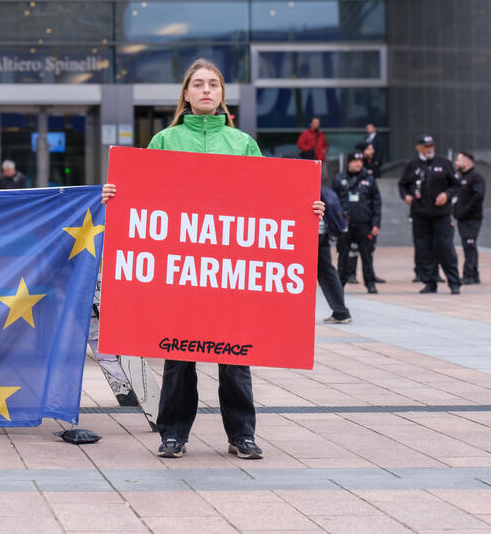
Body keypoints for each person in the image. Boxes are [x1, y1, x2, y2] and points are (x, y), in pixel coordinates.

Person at [101, 58, 325, 461]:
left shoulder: (243, 144)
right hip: (181, 271)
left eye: (213, 84)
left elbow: (270, 201)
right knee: (177, 357)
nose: (206, 90)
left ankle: (243, 435)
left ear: (222, 95)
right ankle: (172, 434)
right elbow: (143, 198)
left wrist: (307, 210)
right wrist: (117, 198)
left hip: (229, 272)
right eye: (198, 84)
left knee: (235, 357)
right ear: (186, 94)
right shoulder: (164, 142)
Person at [397, 135, 461, 294]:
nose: (430, 149)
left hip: (441, 214)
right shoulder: (412, 165)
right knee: (424, 249)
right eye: (426, 146)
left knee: (445, 247)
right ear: (419, 148)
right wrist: (406, 196)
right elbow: (403, 185)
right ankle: (430, 281)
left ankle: (454, 282)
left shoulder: (443, 163)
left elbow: (456, 185)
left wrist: (446, 195)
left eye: (432, 145)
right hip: (420, 214)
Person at [334, 152, 383, 293]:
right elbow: (333, 202)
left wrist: (376, 223)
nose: (358, 164)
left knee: (367, 255)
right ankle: (340, 283)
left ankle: (370, 283)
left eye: (360, 161)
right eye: (355, 161)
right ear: (348, 162)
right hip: (345, 225)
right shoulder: (339, 179)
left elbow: (377, 202)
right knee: (343, 255)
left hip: (364, 224)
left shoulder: (369, 179)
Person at [318, 185, 352, 323]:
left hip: (311, 234)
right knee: (326, 271)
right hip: (322, 233)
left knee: (325, 271)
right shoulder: (320, 187)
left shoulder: (303, 183)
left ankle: (341, 311)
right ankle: (341, 311)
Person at [453, 150, 485, 284]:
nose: (456, 162)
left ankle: (468, 275)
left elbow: (478, 196)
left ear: (467, 161)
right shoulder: (461, 178)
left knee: (469, 245)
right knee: (469, 245)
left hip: (472, 218)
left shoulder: (476, 178)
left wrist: (466, 210)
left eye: (459, 160)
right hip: (462, 218)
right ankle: (475, 274)